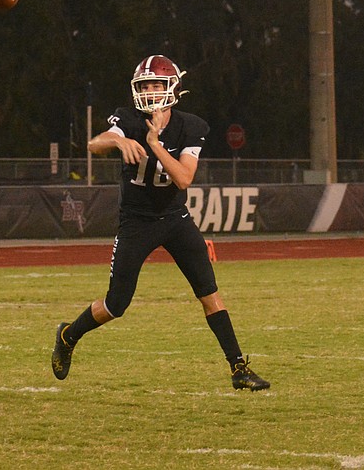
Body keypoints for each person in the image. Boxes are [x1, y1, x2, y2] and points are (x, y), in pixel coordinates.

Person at [51, 54, 270, 391]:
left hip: (175, 219)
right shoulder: (128, 119)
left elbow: (183, 178)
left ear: (173, 88)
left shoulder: (191, 126)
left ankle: (238, 369)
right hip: (136, 222)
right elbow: (95, 144)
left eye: (157, 84)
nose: (151, 91)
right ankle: (68, 334)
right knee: (116, 304)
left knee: (209, 294)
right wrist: (119, 140)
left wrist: (154, 144)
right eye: (146, 85)